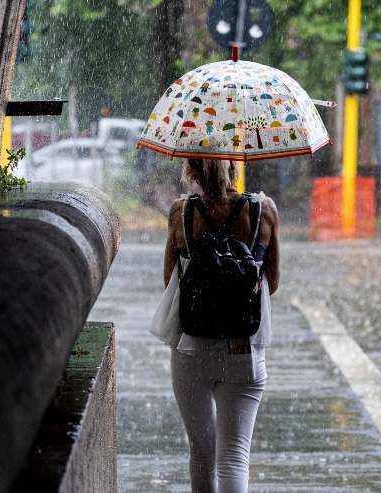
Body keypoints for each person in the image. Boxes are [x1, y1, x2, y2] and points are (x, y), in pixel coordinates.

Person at [162, 158, 280, 493]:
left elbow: (169, 278)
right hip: (244, 349)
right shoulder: (264, 210)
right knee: (234, 457)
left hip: (190, 348)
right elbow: (272, 282)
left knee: (201, 453)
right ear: (234, 168)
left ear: (192, 172)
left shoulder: (180, 213)